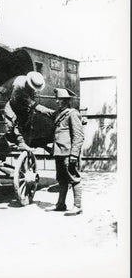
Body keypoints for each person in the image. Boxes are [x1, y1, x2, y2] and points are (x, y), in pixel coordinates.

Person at [46, 88, 85, 216]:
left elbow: (78, 136)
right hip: (59, 152)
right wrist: (34, 105)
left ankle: (77, 206)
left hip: (68, 153)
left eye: (60, 100)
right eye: (57, 99)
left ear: (67, 101)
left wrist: (74, 153)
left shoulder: (72, 114)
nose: (57, 101)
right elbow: (48, 112)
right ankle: (60, 204)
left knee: (74, 178)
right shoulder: (59, 113)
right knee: (62, 179)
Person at [3, 71, 54, 151]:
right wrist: (49, 112)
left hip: (20, 103)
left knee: (28, 120)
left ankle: (24, 143)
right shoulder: (19, 85)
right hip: (7, 101)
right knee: (13, 121)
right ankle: (19, 144)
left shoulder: (30, 85)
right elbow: (29, 104)